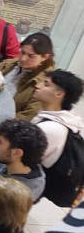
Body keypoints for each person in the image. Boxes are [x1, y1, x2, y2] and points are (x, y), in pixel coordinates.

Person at [32, 70, 84, 205]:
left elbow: (22, 160)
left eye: (46, 84)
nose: (38, 85)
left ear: (59, 94)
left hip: (32, 187)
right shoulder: (67, 120)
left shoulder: (52, 128)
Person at [0, 33, 55, 121]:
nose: (23, 58)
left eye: (31, 56)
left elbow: (28, 114)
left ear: (45, 57)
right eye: (22, 52)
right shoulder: (7, 64)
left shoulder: (45, 82)